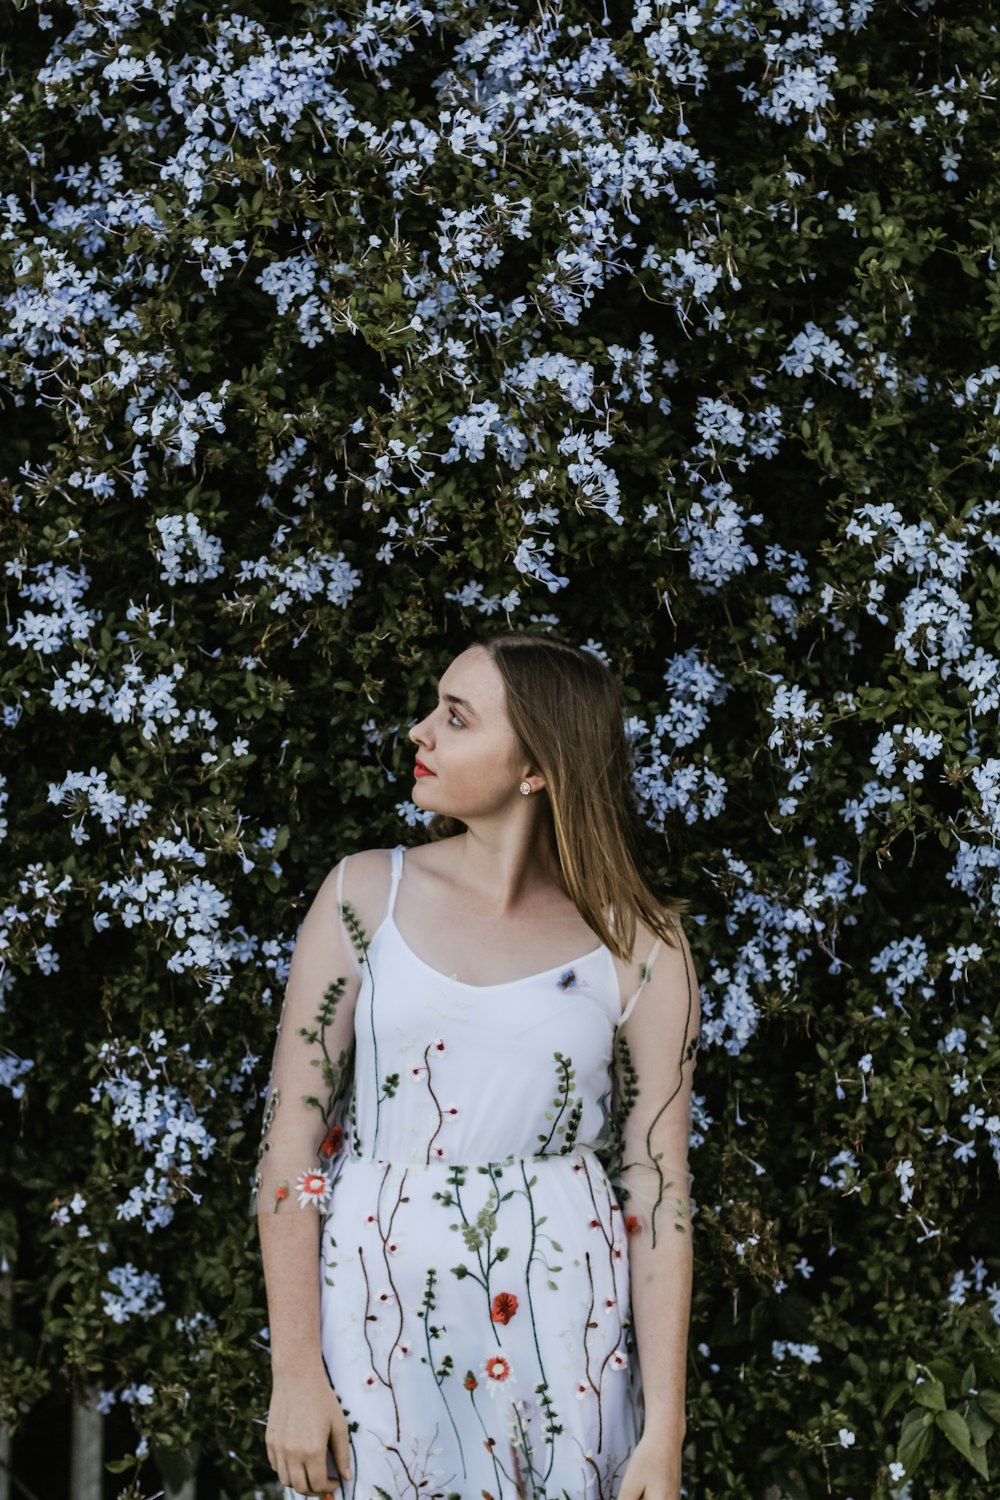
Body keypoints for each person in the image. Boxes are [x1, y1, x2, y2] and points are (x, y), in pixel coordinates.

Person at [252, 631, 701, 1500]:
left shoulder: (642, 944)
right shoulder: (360, 897)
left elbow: (659, 1186)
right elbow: (291, 1153)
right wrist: (296, 1373)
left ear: (536, 765)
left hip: (562, 1310)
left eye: (455, 718)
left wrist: (664, 1430)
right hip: (373, 1301)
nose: (419, 732)